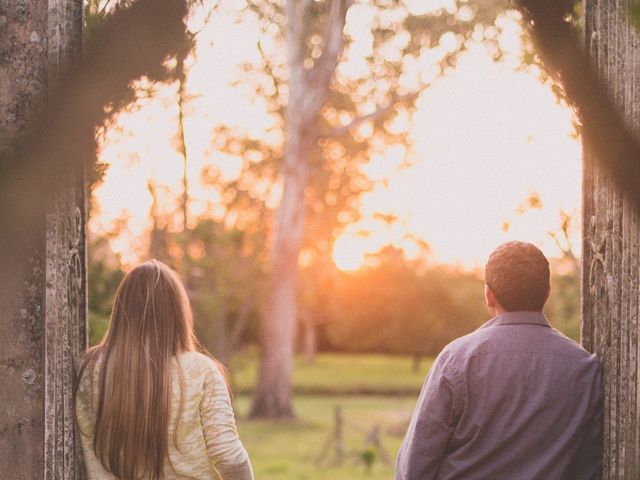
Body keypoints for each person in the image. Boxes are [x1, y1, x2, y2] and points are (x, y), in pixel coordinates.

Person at [395, 241, 603, 480]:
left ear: (488, 295)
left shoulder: (457, 361)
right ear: (547, 292)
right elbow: (590, 464)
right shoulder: (585, 368)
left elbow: (414, 468)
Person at [74, 259, 253, 480]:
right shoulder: (200, 371)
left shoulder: (90, 370)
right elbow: (230, 457)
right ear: (178, 311)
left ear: (121, 309)